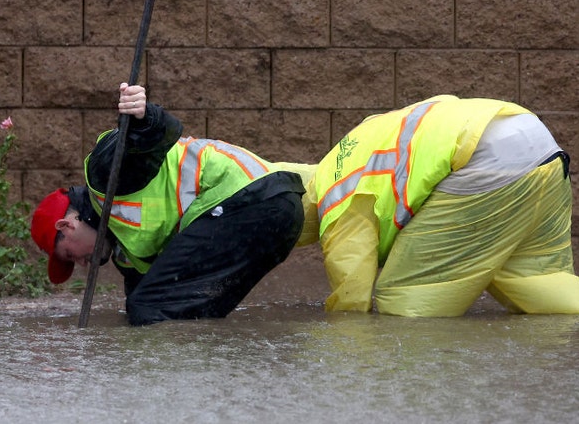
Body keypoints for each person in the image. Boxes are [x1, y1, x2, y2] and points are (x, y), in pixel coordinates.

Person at [30, 83, 306, 326]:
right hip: (280, 213)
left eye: (70, 255)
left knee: (148, 310)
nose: (82, 264)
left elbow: (151, 135)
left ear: (66, 226)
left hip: (251, 200)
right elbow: (142, 295)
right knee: (178, 310)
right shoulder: (128, 254)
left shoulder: (104, 179)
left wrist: (141, 116)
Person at [294, 94, 579, 316]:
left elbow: (351, 294)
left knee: (404, 299)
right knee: (537, 278)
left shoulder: (335, 196)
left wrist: (345, 331)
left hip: (484, 160)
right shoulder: (351, 150)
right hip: (538, 143)